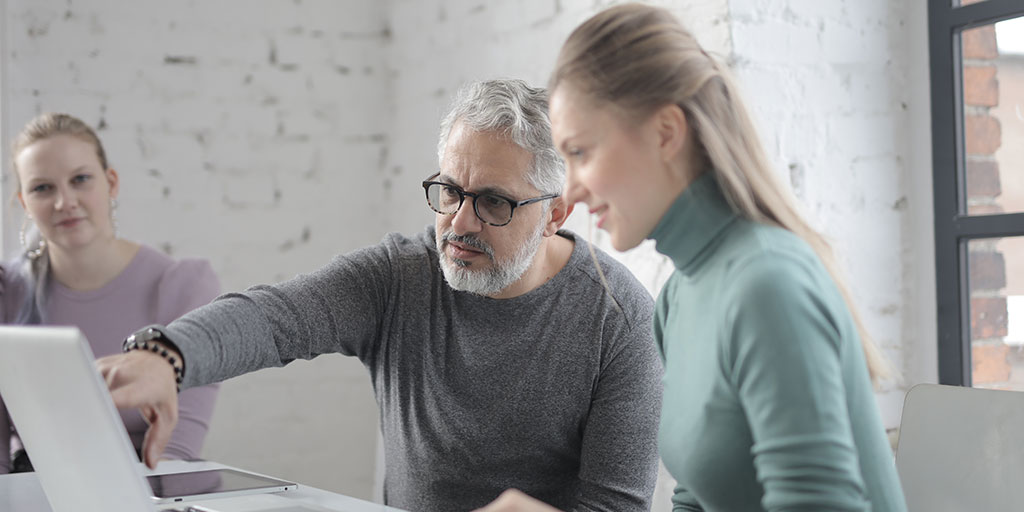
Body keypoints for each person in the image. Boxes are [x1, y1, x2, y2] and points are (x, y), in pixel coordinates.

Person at [98, 79, 663, 512]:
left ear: (554, 215)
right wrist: (166, 356)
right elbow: (277, 317)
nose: (458, 223)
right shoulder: (401, 275)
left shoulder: (620, 319)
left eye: (493, 202)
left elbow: (616, 506)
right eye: (449, 191)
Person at [478, 4, 908, 512]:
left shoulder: (768, 286)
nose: (570, 190)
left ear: (666, 132)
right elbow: (696, 500)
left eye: (582, 153)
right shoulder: (680, 296)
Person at [0, 113, 221, 474]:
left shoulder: (182, 285)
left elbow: (176, 452)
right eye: (42, 188)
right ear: (24, 202)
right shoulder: (6, 289)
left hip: (145, 491)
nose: (64, 202)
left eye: (80, 179)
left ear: (111, 182)